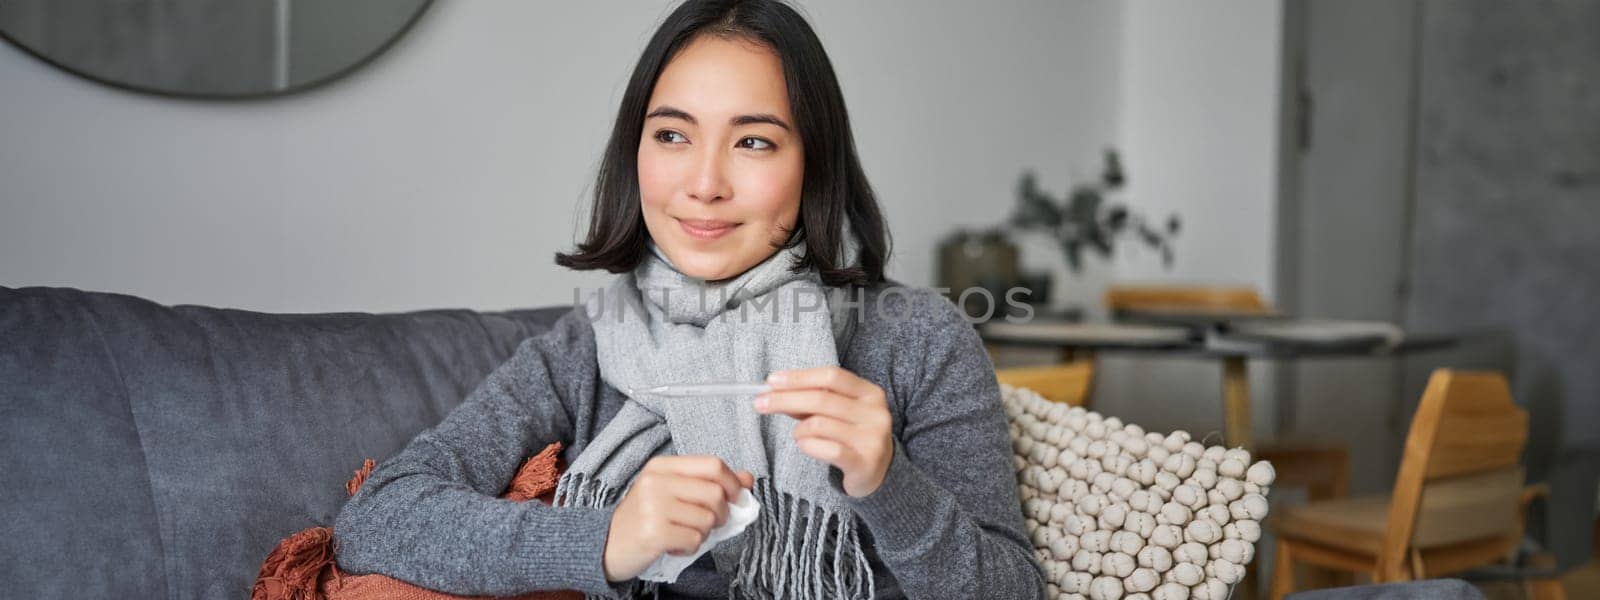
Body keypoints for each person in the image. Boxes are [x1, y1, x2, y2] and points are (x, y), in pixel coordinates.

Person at [332, 1, 1043, 598]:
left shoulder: (915, 339)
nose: (704, 183)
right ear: (634, 151)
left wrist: (890, 484)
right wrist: (607, 539)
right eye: (672, 134)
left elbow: (1013, 588)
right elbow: (378, 517)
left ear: (813, 163)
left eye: (754, 143)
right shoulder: (586, 348)